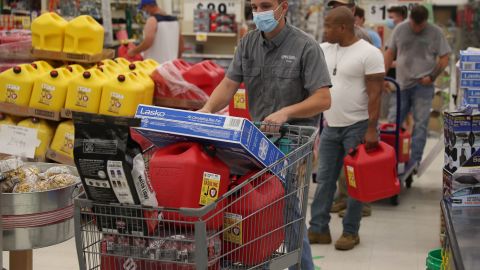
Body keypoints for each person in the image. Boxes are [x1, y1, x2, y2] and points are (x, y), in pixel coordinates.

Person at [200, 0, 332, 268]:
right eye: (254, 6)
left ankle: (301, 265)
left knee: (287, 210)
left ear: (283, 7)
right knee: (254, 207)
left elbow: (323, 99)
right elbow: (228, 84)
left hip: (292, 141)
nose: (259, 12)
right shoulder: (247, 43)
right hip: (258, 140)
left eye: (265, 5)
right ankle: (255, 260)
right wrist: (206, 110)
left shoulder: (306, 46)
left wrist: (286, 112)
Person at [308, 6, 385, 251]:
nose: (325, 30)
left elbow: (375, 95)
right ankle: (318, 228)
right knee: (324, 180)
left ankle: (351, 232)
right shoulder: (323, 49)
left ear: (343, 27)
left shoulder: (369, 53)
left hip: (359, 127)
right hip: (331, 125)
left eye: (329, 25)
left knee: (355, 183)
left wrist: (372, 129)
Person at [384, 5, 451, 168]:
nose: (417, 28)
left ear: (426, 21)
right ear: (410, 18)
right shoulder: (400, 29)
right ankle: (389, 158)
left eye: (421, 26)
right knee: (393, 122)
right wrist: (383, 77)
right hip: (401, 85)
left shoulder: (435, 32)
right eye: (415, 24)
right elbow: (389, 53)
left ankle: (414, 161)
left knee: (420, 124)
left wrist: (432, 76)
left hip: (423, 87)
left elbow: (444, 58)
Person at [325, 0, 373, 219]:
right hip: (333, 119)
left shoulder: (363, 39)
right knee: (333, 172)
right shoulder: (329, 41)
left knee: (353, 169)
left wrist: (372, 125)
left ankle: (358, 205)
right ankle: (342, 199)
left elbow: (372, 87)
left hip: (356, 119)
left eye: (339, 5)